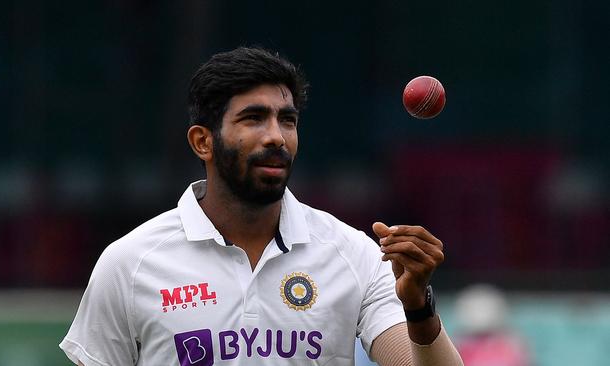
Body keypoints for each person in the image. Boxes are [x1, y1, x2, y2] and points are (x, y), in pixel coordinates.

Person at [59, 47, 463, 366]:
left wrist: (418, 306)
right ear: (203, 142)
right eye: (254, 119)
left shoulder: (353, 253)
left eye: (287, 121)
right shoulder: (130, 263)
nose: (276, 137)